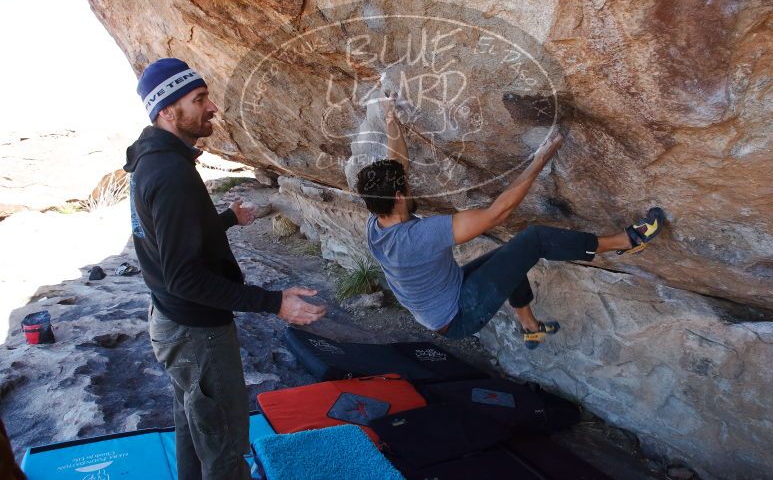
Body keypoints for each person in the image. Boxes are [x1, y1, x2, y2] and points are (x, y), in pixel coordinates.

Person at [124, 58, 325, 479]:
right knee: (224, 442)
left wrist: (228, 219)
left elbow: (171, 240)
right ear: (166, 111)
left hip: (171, 318)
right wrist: (275, 303)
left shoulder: (150, 160)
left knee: (194, 424)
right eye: (199, 100)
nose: (213, 107)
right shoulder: (171, 173)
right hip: (196, 332)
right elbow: (185, 276)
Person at [356, 94, 665, 347]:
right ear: (399, 196)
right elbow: (498, 213)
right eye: (405, 186)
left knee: (511, 257)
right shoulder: (418, 237)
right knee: (534, 240)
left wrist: (390, 118)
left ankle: (530, 327)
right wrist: (539, 160)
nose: (410, 185)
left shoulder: (378, 222)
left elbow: (397, 164)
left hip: (443, 300)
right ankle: (626, 241)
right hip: (459, 315)